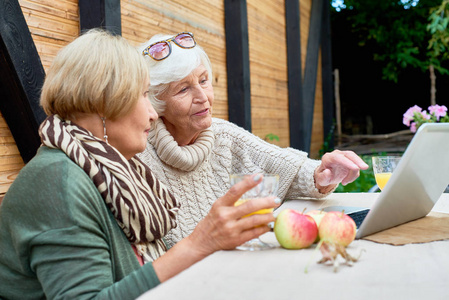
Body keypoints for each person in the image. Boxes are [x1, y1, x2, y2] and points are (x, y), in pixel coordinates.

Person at [0, 29, 280, 299]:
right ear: (104, 104)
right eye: (143, 95)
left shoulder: (113, 167)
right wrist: (200, 242)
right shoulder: (56, 181)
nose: (153, 114)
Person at [137, 32, 369, 248]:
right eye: (183, 89)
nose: (203, 97)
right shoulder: (139, 155)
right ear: (157, 103)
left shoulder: (223, 135)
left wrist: (321, 173)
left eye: (204, 80)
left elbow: (281, 166)